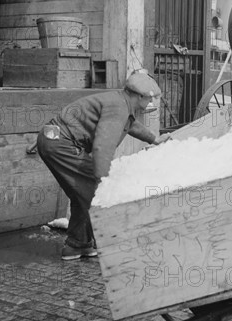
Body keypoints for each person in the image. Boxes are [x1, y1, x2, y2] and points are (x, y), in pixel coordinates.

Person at [37, 70, 170, 260]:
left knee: (82, 192)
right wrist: (103, 178)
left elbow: (130, 125)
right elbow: (102, 146)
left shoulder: (121, 102)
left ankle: (79, 245)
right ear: (139, 96)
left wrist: (154, 139)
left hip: (56, 140)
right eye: (151, 99)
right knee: (93, 190)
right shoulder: (118, 108)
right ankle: (93, 243)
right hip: (60, 143)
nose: (151, 103)